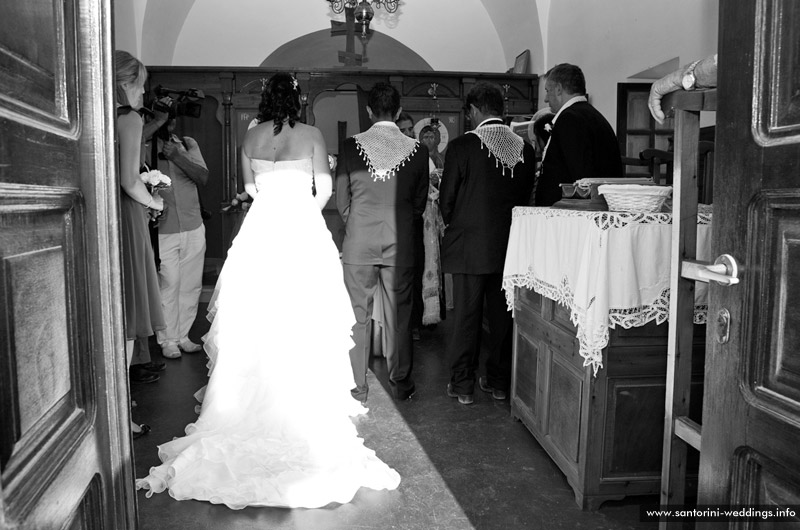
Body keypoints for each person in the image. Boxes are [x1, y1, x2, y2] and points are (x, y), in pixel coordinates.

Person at [136, 73, 400, 508]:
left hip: (260, 233)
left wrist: (275, 206)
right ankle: (301, 394)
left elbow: (253, 190)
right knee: (302, 314)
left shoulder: (250, 135)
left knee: (256, 315)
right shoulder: (312, 134)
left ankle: (245, 396)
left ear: (265, 100)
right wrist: (301, 213)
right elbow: (326, 190)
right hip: (300, 232)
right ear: (296, 102)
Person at [439, 82, 536, 405]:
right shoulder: (525, 148)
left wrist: (453, 221)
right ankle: (498, 383)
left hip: (468, 246)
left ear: (475, 111)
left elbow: (447, 199)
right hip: (509, 246)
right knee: (502, 318)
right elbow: (525, 197)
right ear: (501, 110)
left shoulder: (462, 147)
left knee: (466, 318)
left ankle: (463, 385)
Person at [337, 83, 429, 403]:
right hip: (400, 241)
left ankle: (357, 387)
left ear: (368, 111)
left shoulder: (350, 147)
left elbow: (342, 201)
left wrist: (359, 226)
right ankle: (401, 383)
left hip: (359, 241)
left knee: (356, 316)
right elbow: (419, 203)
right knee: (399, 316)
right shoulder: (418, 150)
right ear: (399, 111)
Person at [114, 50, 166, 437]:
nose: (143, 94)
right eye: (141, 86)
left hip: (105, 216)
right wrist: (155, 200)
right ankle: (120, 416)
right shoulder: (128, 118)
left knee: (110, 316)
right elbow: (129, 180)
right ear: (126, 82)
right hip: (127, 217)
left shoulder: (98, 115)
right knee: (130, 317)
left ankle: (111, 404)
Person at [151, 116, 209, 359]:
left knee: (191, 285)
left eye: (171, 119)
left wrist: (177, 155)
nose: (169, 124)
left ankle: (183, 336)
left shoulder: (188, 144)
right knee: (169, 284)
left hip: (193, 224)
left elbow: (203, 177)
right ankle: (167, 340)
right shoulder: (146, 145)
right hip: (163, 228)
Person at [535, 63, 622, 206]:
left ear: (558, 89)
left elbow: (582, 180)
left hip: (568, 215)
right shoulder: (592, 115)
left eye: (547, 90)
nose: (545, 99)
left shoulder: (570, 119)